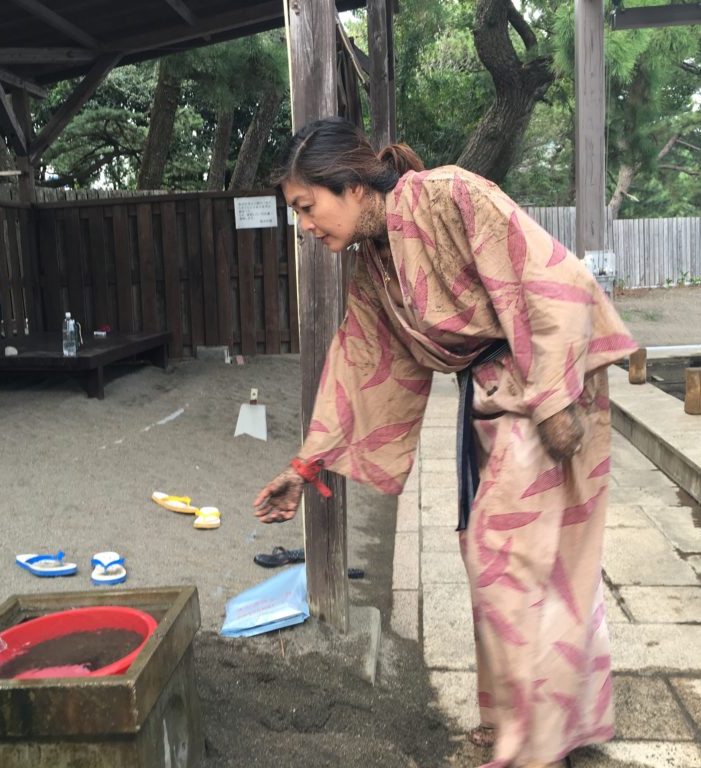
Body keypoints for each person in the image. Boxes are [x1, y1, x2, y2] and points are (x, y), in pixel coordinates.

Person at [252, 117, 636, 768]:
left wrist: (550, 398)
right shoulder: (373, 267)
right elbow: (360, 364)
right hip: (493, 396)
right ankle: (530, 716)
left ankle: (530, 742)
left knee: (504, 549)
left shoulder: (449, 193)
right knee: (504, 554)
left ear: (348, 184)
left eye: (307, 208)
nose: (306, 228)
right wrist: (306, 463)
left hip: (547, 378)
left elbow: (551, 278)